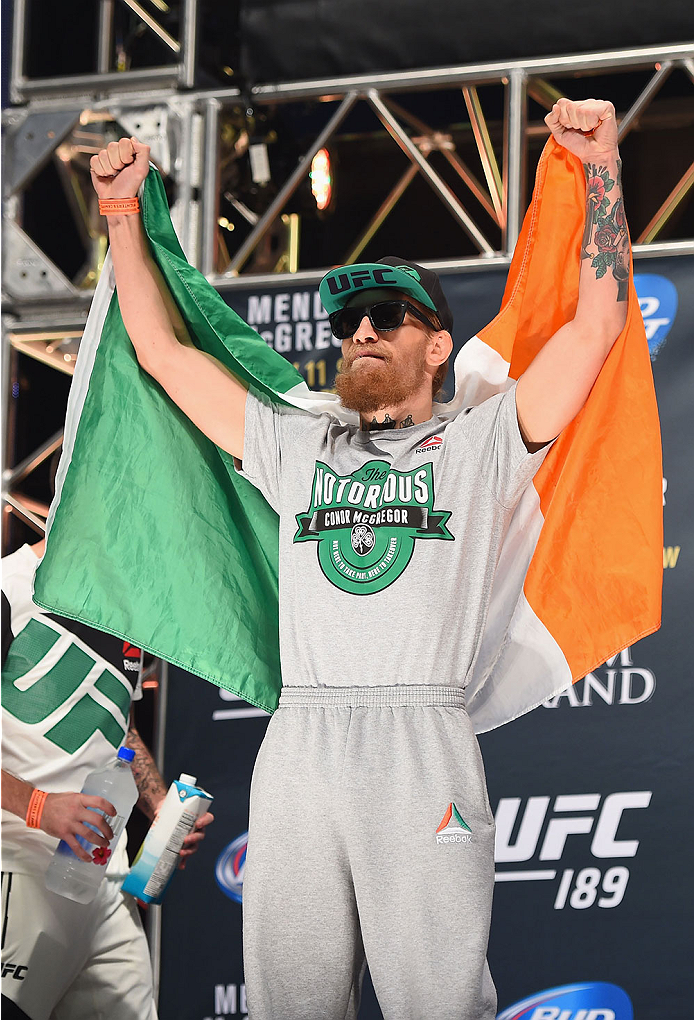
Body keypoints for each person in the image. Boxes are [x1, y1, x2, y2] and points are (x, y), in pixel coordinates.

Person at [86, 98, 629, 1019]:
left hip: (423, 743)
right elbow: (161, 352)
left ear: (438, 344)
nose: (362, 331)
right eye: (350, 322)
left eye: (386, 315)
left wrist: (604, 169)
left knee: (436, 1004)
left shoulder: (480, 444)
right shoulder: (301, 448)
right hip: (301, 746)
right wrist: (121, 216)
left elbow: (598, 323)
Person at [1, 534, 214, 1020]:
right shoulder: (9, 586)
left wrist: (159, 805)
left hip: (102, 879)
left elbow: (120, 727)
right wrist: (39, 805)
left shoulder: (122, 611)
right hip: (19, 868)